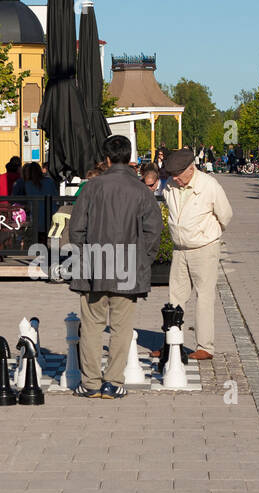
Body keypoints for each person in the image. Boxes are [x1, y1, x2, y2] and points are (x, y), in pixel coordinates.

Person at [68, 134, 162, 399]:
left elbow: (76, 229)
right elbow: (153, 230)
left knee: (92, 325)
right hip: (128, 266)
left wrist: (85, 256)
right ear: (130, 157)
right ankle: (113, 381)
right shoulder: (142, 190)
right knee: (121, 327)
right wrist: (142, 259)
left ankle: (90, 383)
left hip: (94, 266)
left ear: (107, 159)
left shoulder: (91, 188)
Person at [163, 146, 233, 361]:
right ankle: (173, 344)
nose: (177, 180)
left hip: (204, 247)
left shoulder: (209, 185)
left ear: (191, 169)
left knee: (204, 297)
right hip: (180, 248)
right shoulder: (170, 186)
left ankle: (205, 346)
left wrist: (209, 234)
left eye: (179, 175)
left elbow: (226, 214)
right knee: (175, 297)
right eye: (173, 176)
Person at [12, 162, 59, 243]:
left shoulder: (28, 184)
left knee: (39, 238)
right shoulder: (49, 181)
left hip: (36, 217)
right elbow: (56, 197)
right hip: (51, 215)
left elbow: (27, 200)